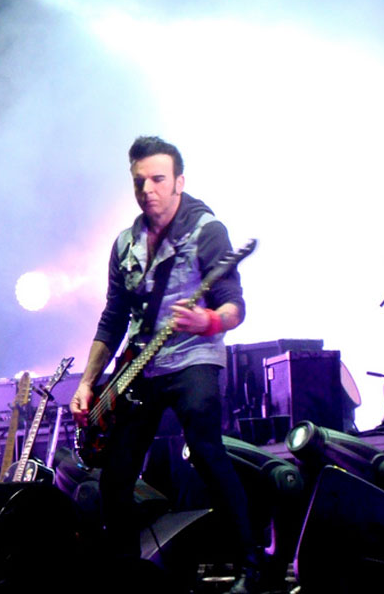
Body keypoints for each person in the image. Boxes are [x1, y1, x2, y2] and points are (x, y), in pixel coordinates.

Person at [69, 136, 262, 593]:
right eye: (140, 181)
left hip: (193, 356)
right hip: (141, 366)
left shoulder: (207, 231)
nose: (148, 189)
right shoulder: (125, 244)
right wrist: (87, 382)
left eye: (158, 179)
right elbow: (113, 318)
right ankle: (126, 577)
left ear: (179, 182)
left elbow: (235, 306)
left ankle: (252, 565)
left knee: (206, 449)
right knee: (115, 474)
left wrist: (207, 320)